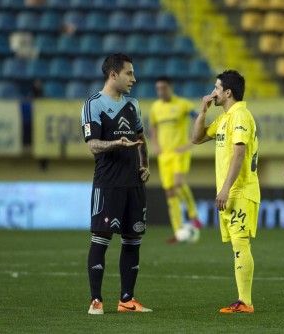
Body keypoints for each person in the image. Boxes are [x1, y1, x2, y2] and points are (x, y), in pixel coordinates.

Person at [80, 53, 151, 314]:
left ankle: (127, 299)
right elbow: (93, 146)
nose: (134, 78)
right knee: (101, 238)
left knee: (133, 240)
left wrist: (145, 165)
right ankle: (96, 300)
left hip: (134, 183)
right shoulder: (94, 105)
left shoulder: (133, 104)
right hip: (108, 183)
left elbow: (142, 137)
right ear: (113, 74)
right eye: (129, 73)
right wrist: (117, 144)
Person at [191, 70, 260, 313]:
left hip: (240, 191)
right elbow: (196, 138)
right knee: (237, 245)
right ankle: (243, 301)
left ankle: (245, 302)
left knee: (241, 243)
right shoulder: (224, 118)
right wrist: (203, 112)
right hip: (232, 192)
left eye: (217, 88)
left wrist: (225, 189)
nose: (213, 92)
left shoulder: (240, 115)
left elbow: (239, 153)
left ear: (228, 92)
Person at [148, 76, 202, 243]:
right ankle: (178, 230)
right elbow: (153, 127)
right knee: (170, 192)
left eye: (163, 88)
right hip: (165, 155)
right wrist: (155, 145)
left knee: (178, 184)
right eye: (158, 89)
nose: (160, 92)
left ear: (170, 87)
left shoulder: (183, 104)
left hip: (180, 152)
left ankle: (194, 215)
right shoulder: (155, 107)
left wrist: (191, 142)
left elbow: (199, 117)